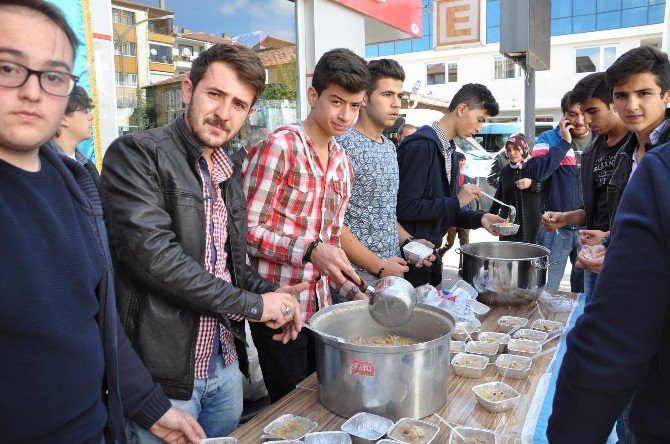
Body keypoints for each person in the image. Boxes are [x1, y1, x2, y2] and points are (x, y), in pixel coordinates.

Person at [0, 1, 205, 442]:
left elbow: (94, 319)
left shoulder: (74, 183)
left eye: (53, 75)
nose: (33, 92)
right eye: (7, 68)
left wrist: (147, 405)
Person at [100, 43, 305, 440]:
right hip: (161, 381)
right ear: (188, 90)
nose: (224, 114)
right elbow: (158, 262)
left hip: (225, 367)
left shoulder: (229, 168)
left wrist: (274, 295)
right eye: (215, 94)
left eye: (239, 104)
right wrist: (254, 305)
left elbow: (231, 267)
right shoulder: (138, 153)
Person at [242, 48, 370, 402]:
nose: (345, 115)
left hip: (324, 312)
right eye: (337, 102)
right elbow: (244, 232)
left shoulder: (343, 162)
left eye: (355, 106)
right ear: (313, 95)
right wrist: (309, 250)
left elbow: (332, 243)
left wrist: (355, 289)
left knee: (326, 400)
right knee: (289, 409)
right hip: (279, 310)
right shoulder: (279, 146)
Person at [547, 141, 670, 444]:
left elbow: (611, 338)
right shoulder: (596, 152)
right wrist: (612, 244)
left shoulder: (659, 169)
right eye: (622, 95)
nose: (631, 105)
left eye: (642, 93)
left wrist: (616, 249)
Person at [337, 58, 434, 286]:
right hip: (355, 278)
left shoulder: (390, 147)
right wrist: (378, 267)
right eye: (387, 94)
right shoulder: (343, 146)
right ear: (364, 98)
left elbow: (385, 214)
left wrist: (410, 242)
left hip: (391, 272)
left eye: (399, 96)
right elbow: (333, 224)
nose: (396, 104)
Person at [396, 83, 504, 287]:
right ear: (462, 109)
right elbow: (404, 207)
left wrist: (481, 218)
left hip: (430, 254)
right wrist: (457, 201)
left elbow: (446, 210)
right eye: (479, 119)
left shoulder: (451, 153)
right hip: (410, 257)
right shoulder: (421, 146)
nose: (479, 128)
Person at [540, 73, 633, 299]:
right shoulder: (592, 150)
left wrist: (610, 238)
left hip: (629, 255)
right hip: (592, 251)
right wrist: (565, 217)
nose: (586, 121)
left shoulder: (640, 144)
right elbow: (592, 210)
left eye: (592, 111)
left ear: (614, 104)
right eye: (580, 113)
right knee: (587, 312)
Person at [528, 91, 591, 292]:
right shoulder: (548, 137)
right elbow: (537, 173)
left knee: (586, 289)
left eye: (584, 113)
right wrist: (563, 143)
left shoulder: (601, 137)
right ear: (565, 115)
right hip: (554, 226)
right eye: (573, 114)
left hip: (588, 229)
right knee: (547, 289)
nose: (580, 120)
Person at [489, 133, 541, 244]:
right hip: (509, 225)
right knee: (509, 257)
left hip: (531, 223)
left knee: (529, 256)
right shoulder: (506, 170)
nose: (512, 153)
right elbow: (498, 197)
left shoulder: (534, 166)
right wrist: (488, 217)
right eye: (508, 150)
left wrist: (532, 184)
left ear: (523, 148)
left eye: (516, 149)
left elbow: (547, 189)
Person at [46, 85, 99, 185]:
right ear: (62, 118)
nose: (91, 117)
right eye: (85, 111)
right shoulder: (41, 166)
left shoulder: (88, 166)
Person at [437, 152, 474, 275]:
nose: (461, 166)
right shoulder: (449, 179)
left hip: (466, 214)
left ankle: (462, 267)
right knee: (449, 242)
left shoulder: (468, 179)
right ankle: (439, 254)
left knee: (465, 244)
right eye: (459, 164)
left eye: (463, 164)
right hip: (452, 217)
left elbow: (471, 197)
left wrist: (471, 210)